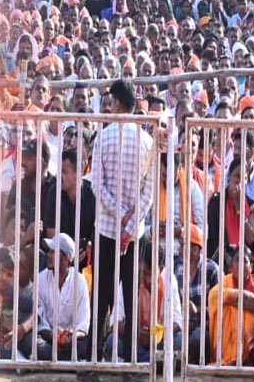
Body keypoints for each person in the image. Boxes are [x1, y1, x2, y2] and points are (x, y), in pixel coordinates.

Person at [91, 79, 156, 362]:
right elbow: (149, 192)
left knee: (101, 296)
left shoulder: (103, 137)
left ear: (116, 102)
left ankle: (93, 358)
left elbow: (96, 185)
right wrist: (129, 224)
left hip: (107, 229)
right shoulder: (147, 141)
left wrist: (119, 214)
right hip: (133, 233)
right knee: (131, 297)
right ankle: (130, 360)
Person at [35, 233, 91, 361]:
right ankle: (68, 362)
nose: (48, 255)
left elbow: (84, 323)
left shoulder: (79, 281)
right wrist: (53, 336)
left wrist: (71, 336)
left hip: (71, 340)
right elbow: (39, 318)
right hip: (47, 338)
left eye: (53, 252)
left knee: (87, 346)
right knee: (36, 344)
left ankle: (58, 360)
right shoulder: (41, 279)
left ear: (66, 258)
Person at [207, 245, 254, 366]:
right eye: (237, 260)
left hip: (249, 339)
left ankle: (244, 356)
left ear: (251, 267)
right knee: (225, 307)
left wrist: (231, 300)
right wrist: (242, 293)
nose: (240, 264)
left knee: (229, 306)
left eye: (245, 261)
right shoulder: (225, 281)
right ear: (231, 266)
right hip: (226, 342)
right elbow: (213, 296)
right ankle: (230, 356)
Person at [175, 224, 219, 364]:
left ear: (195, 250)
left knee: (199, 339)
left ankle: (187, 360)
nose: (179, 249)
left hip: (203, 329)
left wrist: (197, 310)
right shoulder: (178, 270)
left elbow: (219, 309)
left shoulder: (211, 270)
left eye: (182, 245)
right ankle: (186, 359)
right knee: (171, 340)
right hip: (182, 329)